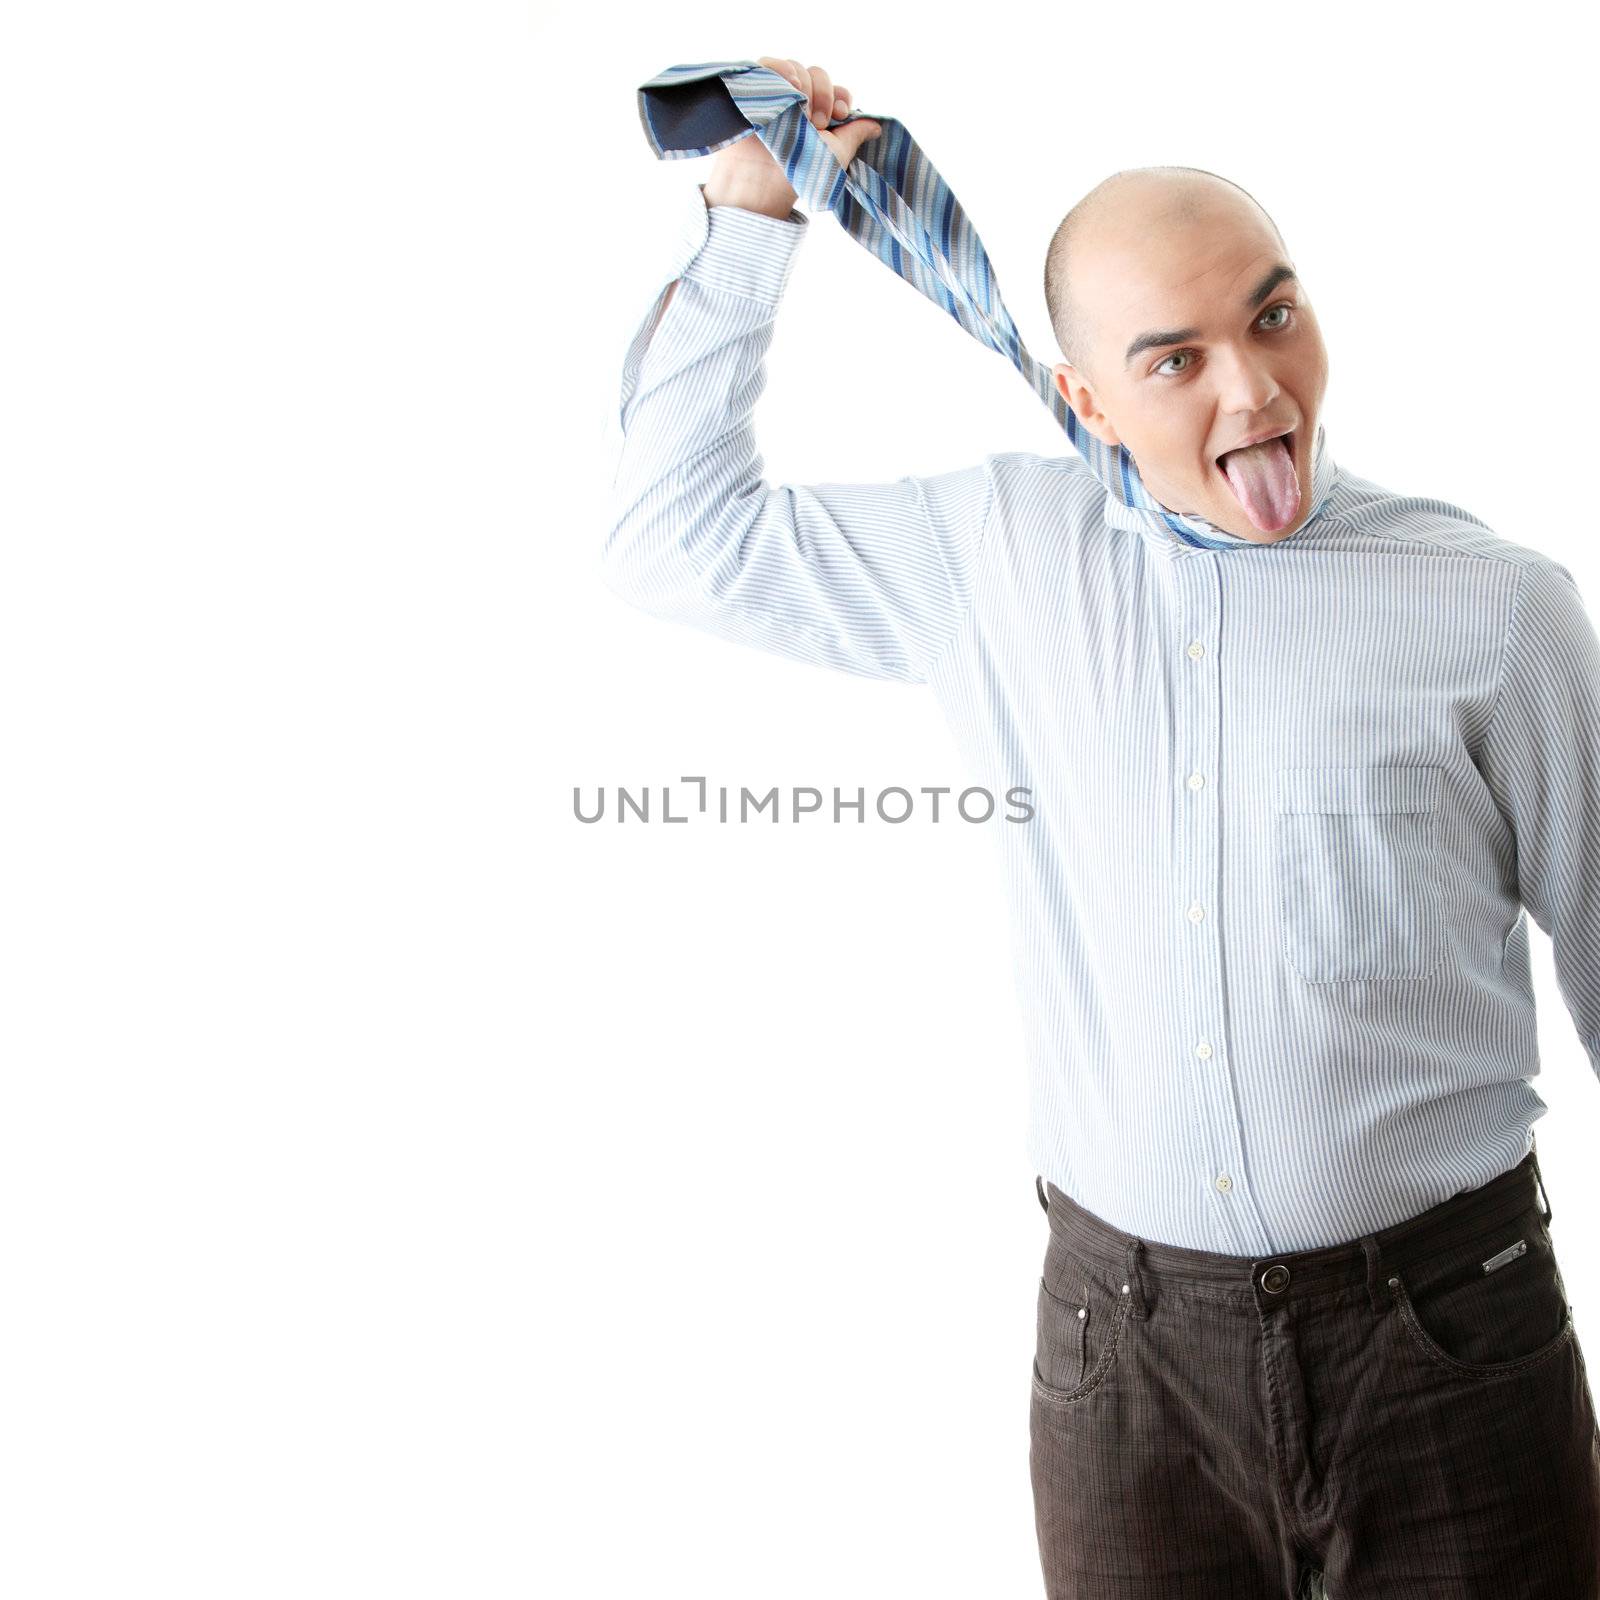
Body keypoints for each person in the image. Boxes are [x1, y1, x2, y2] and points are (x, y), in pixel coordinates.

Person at [602, 55, 1600, 1598]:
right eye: (1176, 358)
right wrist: (751, 216)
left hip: (1448, 1343)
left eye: (1273, 316)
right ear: (1083, 397)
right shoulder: (993, 555)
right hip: (1122, 1367)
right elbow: (675, 543)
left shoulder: (1496, 608)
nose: (1255, 392)